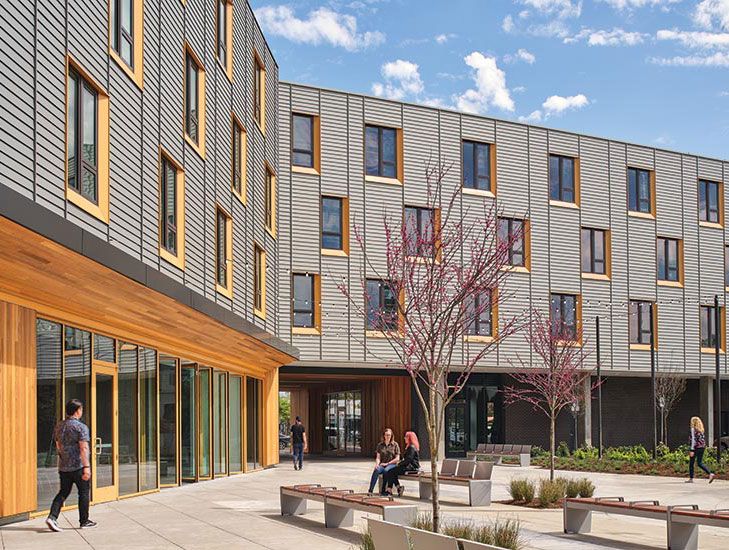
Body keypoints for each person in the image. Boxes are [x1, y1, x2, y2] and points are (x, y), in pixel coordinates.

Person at [46, 399, 96, 532]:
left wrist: (64, 458)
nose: (81, 412)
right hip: (79, 466)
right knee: (84, 492)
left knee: (63, 492)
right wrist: (87, 467)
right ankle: (84, 521)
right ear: (77, 411)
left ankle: (52, 516)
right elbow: (84, 448)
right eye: (81, 409)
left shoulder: (59, 426)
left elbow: (58, 445)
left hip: (64, 466)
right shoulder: (81, 427)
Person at [383, 431, 420, 497]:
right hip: (409, 466)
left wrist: (399, 464)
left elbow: (408, 460)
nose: (404, 438)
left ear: (410, 438)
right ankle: (398, 488)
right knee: (392, 471)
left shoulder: (411, 447)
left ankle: (390, 489)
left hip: (412, 468)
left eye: (406, 437)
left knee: (391, 471)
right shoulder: (409, 446)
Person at [367, 428, 400, 494]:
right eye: (386, 435)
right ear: (384, 436)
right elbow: (378, 457)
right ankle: (370, 490)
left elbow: (397, 458)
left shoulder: (395, 445)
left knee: (386, 470)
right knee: (376, 470)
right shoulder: (380, 445)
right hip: (382, 464)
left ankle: (383, 490)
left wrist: (388, 463)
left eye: (389, 435)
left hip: (392, 464)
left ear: (391, 436)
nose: (388, 437)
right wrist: (377, 464)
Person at [687, 416, 716, 483]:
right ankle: (710, 474)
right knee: (699, 463)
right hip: (702, 447)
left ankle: (691, 479)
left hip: (695, 448)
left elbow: (693, 440)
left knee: (691, 463)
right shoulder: (701, 430)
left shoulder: (693, 429)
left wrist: (692, 450)